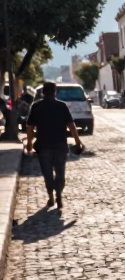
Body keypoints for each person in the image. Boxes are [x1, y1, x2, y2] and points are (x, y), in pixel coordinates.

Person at [25, 80, 83, 216]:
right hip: (60, 146)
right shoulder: (62, 106)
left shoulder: (36, 106)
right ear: (55, 92)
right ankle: (59, 196)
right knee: (60, 174)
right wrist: (78, 141)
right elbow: (71, 125)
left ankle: (51, 197)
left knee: (47, 174)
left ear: (43, 93)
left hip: (43, 146)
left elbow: (30, 127)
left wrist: (29, 142)